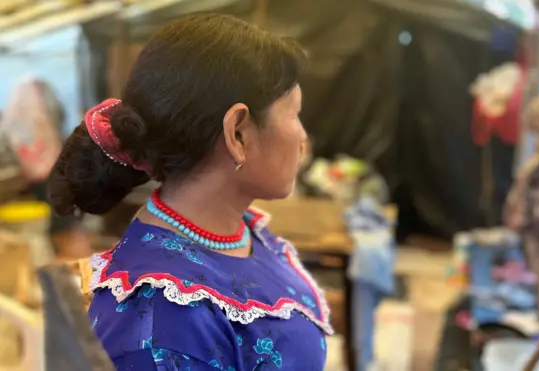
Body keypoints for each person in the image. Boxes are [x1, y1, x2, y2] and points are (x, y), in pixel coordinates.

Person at [48, 14, 332, 370]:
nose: (302, 136)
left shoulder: (242, 231)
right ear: (238, 133)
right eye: (294, 115)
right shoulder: (162, 324)